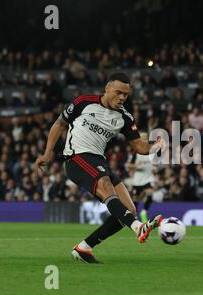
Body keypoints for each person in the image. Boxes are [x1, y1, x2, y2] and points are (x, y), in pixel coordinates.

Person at [34, 73, 165, 264]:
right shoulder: (83, 102)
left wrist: (156, 145)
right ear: (107, 89)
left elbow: (139, 147)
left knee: (129, 209)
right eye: (118, 92)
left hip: (99, 161)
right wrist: (47, 153)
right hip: (76, 158)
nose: (122, 98)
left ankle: (84, 248)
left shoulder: (125, 118)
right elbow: (59, 123)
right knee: (105, 185)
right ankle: (138, 228)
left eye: (126, 95)